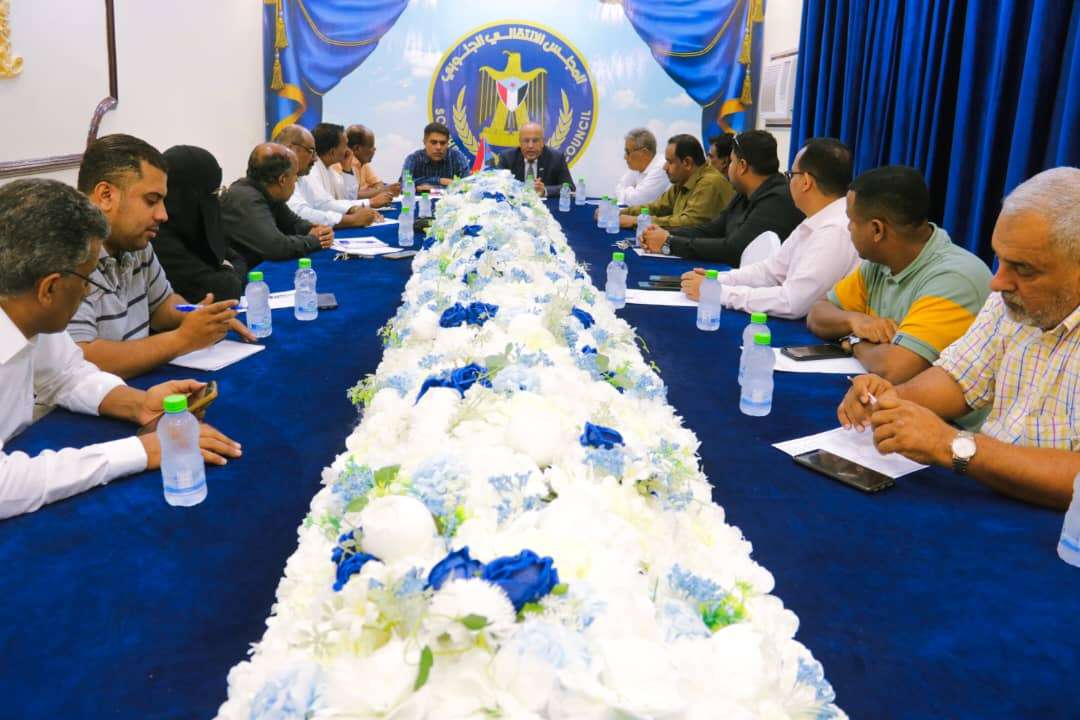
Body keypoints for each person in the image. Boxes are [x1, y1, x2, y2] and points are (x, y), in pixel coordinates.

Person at [837, 167, 1080, 510]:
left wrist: (952, 445)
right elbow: (959, 379)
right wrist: (890, 399)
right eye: (1000, 260)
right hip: (991, 494)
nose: (998, 282)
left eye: (1023, 268)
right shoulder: (1009, 301)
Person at [0, 179, 242, 520]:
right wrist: (139, 451)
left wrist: (138, 404)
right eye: (86, 279)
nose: (87, 293)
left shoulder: (27, 308)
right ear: (49, 289)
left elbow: (66, 374)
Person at [70, 134, 255, 380]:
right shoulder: (64, 255)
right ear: (106, 195)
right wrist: (182, 339)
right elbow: (80, 359)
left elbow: (162, 305)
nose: (163, 215)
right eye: (151, 201)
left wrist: (198, 315)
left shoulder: (137, 243)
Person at [807, 165, 991, 385]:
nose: (848, 228)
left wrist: (853, 341)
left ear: (877, 230)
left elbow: (895, 369)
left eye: (852, 221)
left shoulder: (955, 279)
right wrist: (854, 320)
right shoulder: (878, 264)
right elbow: (817, 313)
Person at [680, 138, 859, 319]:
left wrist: (717, 292)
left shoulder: (835, 231)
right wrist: (717, 278)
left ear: (806, 182)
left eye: (791, 175)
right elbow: (771, 271)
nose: (789, 182)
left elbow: (792, 302)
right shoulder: (815, 220)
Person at [642, 130, 804, 264]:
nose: (728, 168)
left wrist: (670, 243)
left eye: (731, 161)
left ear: (742, 166)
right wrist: (664, 234)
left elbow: (733, 249)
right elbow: (712, 229)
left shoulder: (777, 200)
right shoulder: (744, 194)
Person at [153, 145, 247, 302]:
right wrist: (227, 270)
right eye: (215, 193)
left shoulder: (195, 223)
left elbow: (237, 259)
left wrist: (226, 273)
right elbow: (224, 290)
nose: (217, 200)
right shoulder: (156, 235)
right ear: (189, 195)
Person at [221, 143, 334, 271]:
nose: (296, 180)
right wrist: (315, 240)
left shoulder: (266, 192)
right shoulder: (246, 199)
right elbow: (277, 247)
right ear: (282, 180)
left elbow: (294, 224)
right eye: (295, 175)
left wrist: (316, 230)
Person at [613, 134, 730, 231]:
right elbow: (657, 207)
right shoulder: (683, 180)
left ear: (687, 163)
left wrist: (636, 221)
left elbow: (688, 223)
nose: (665, 167)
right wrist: (619, 213)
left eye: (670, 162)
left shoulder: (709, 182)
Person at [276, 123, 380, 228]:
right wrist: (352, 219)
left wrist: (352, 209)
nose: (315, 158)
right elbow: (300, 213)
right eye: (311, 151)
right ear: (291, 149)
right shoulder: (283, 175)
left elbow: (324, 203)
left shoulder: (304, 174)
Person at [498, 122, 574, 197]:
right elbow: (497, 185)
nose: (530, 146)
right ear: (520, 142)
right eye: (526, 140)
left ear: (542, 143)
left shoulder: (556, 158)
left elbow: (570, 187)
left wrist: (544, 190)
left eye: (535, 141)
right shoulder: (507, 158)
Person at [400, 122, 470, 192]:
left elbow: (468, 186)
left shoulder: (458, 158)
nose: (438, 147)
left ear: (447, 143)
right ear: (424, 142)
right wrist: (440, 180)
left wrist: (432, 188)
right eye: (433, 142)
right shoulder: (413, 159)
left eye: (443, 143)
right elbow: (403, 185)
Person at [614, 128, 671, 206]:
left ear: (644, 153)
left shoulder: (662, 167)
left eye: (628, 152)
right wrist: (632, 191)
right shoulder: (637, 166)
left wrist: (629, 191)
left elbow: (638, 202)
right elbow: (618, 188)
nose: (625, 157)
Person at [344, 124, 399, 203]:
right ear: (357, 148)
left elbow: (379, 184)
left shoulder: (363, 163)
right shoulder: (343, 164)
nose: (374, 149)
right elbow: (351, 196)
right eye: (371, 146)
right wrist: (382, 191)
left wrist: (369, 192)